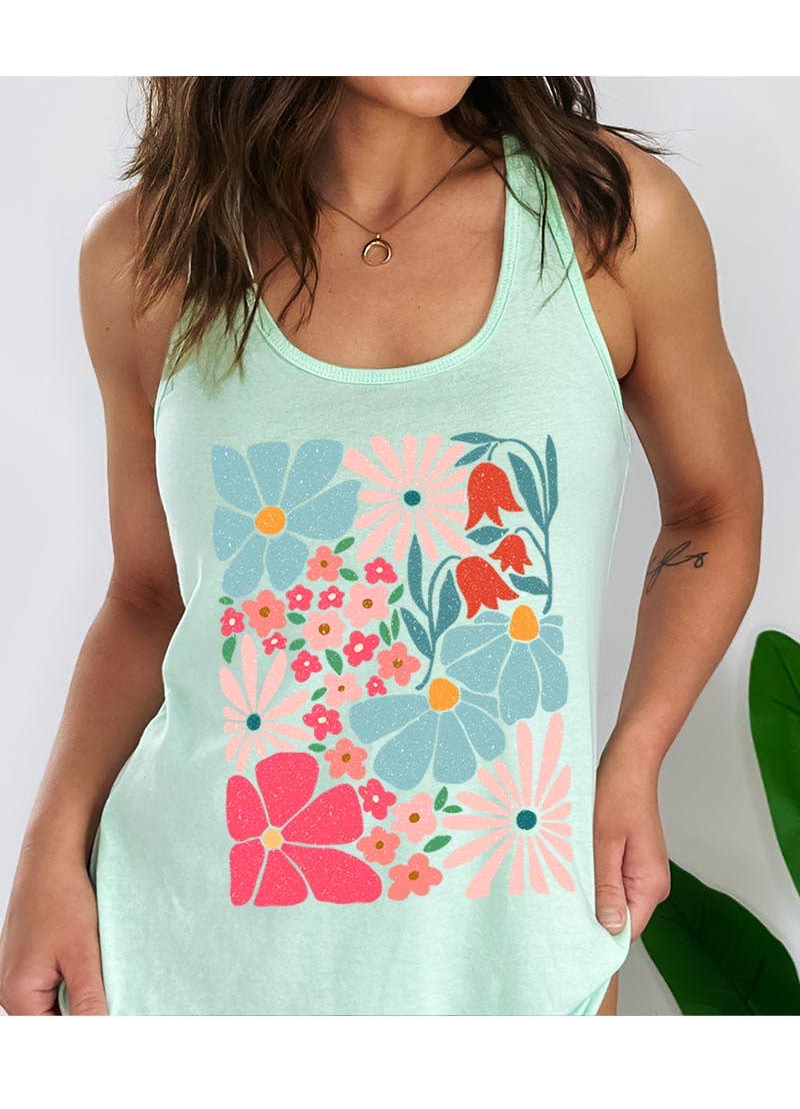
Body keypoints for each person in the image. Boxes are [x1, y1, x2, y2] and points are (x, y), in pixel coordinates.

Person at [0, 77, 761, 1015]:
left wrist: (636, 754)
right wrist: (47, 850)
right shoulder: (149, 251)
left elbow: (713, 510)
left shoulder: (609, 218)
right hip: (188, 960)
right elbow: (150, 598)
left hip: (514, 961)